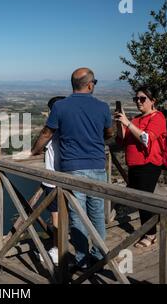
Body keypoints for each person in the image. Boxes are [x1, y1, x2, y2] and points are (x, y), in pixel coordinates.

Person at [32, 68, 113, 269]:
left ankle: (82, 260)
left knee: (77, 216)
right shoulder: (102, 107)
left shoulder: (60, 106)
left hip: (73, 169)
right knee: (97, 215)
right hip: (97, 167)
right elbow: (109, 133)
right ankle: (99, 256)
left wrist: (34, 150)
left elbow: (46, 133)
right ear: (90, 84)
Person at [114, 85, 167, 248]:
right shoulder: (137, 119)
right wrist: (120, 125)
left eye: (142, 99)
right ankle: (148, 230)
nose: (138, 102)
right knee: (140, 200)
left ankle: (151, 235)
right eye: (136, 99)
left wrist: (128, 123)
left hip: (149, 165)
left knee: (145, 200)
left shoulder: (157, 117)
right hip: (134, 165)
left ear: (153, 101)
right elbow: (122, 141)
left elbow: (146, 139)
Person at [37, 96, 65, 265]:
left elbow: (41, 144)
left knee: (56, 217)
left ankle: (57, 249)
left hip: (53, 180)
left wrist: (34, 151)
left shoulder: (52, 130)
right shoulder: (71, 129)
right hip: (70, 178)